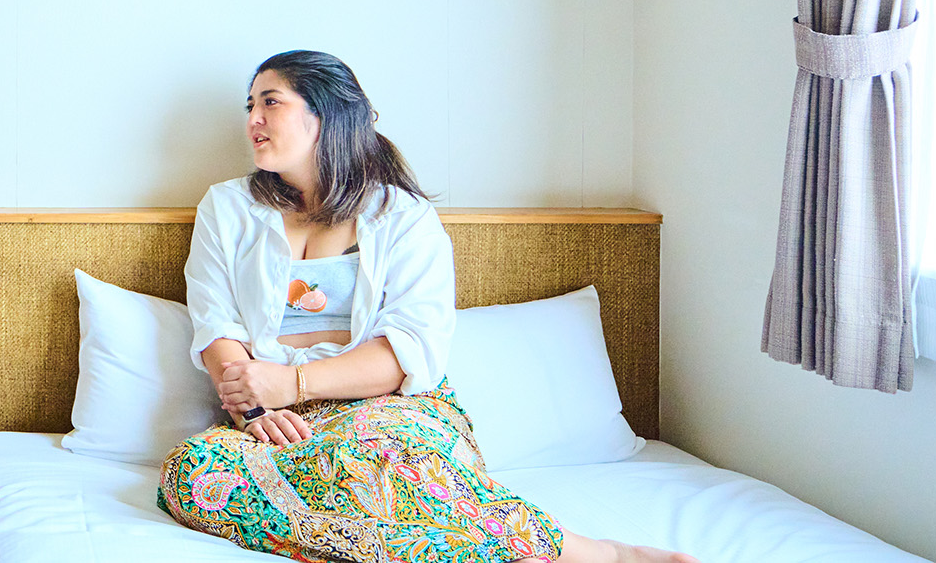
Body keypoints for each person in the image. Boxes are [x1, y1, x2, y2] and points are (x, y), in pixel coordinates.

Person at [158, 50, 697, 563]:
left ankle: (587, 553)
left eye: (270, 102)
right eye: (250, 105)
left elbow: (410, 349)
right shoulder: (227, 207)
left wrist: (292, 384)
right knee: (193, 474)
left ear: (327, 113)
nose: (253, 118)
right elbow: (216, 323)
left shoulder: (402, 217)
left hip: (390, 406)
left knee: (372, 460)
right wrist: (255, 410)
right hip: (272, 418)